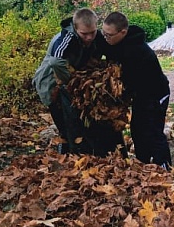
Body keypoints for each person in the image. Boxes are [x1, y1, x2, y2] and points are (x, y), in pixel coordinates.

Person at [33, 8, 124, 156]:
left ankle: (89, 152)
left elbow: (110, 53)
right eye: (84, 34)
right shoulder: (65, 37)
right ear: (75, 28)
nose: (89, 37)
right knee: (66, 121)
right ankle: (69, 153)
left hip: (75, 78)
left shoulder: (98, 36)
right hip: (51, 81)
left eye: (92, 32)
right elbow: (56, 62)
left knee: (85, 120)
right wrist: (72, 80)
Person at [99, 11, 172, 169]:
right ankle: (142, 165)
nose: (105, 38)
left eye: (108, 35)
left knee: (152, 131)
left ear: (123, 32)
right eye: (103, 33)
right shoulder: (116, 42)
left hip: (155, 94)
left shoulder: (138, 53)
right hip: (140, 95)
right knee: (138, 131)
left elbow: (128, 83)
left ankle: (164, 167)